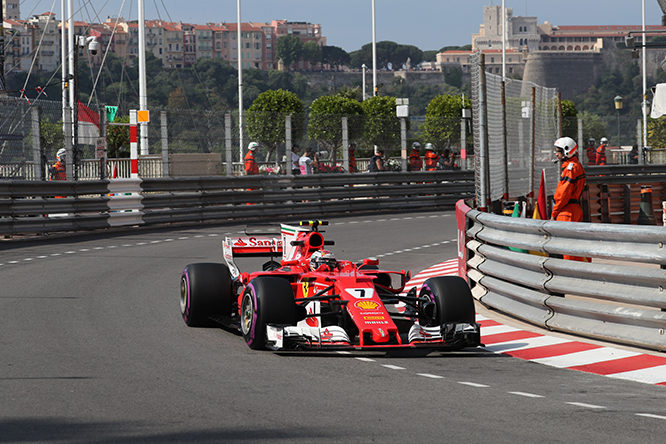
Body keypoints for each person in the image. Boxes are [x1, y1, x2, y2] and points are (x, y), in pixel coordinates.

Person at [551, 137, 588, 261]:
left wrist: (554, 212)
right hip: (574, 209)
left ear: (567, 151)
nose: (556, 154)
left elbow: (563, 195)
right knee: (574, 248)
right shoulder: (577, 166)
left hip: (566, 211)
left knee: (566, 250)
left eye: (558, 151)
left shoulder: (570, 169)